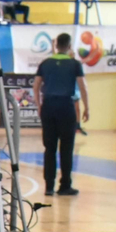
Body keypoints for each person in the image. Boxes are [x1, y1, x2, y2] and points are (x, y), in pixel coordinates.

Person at [34, 32, 87, 197]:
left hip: (49, 106)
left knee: (49, 148)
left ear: (56, 46)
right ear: (69, 47)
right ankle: (65, 185)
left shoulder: (45, 63)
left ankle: (48, 187)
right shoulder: (75, 64)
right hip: (66, 107)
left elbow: (36, 86)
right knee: (66, 148)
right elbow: (82, 87)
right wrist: (87, 107)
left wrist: (39, 105)